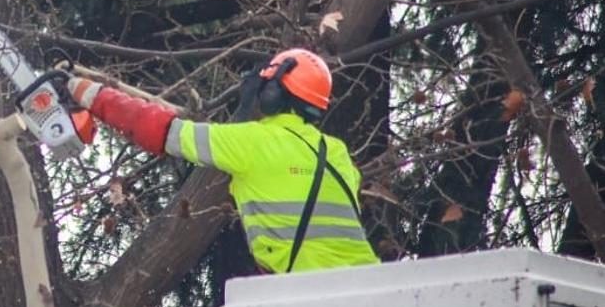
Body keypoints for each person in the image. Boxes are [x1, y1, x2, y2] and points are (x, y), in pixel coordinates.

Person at [68, 48, 378, 274]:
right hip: (367, 282)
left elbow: (161, 131)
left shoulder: (251, 142)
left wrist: (85, 91)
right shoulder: (337, 153)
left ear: (272, 94)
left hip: (310, 291)